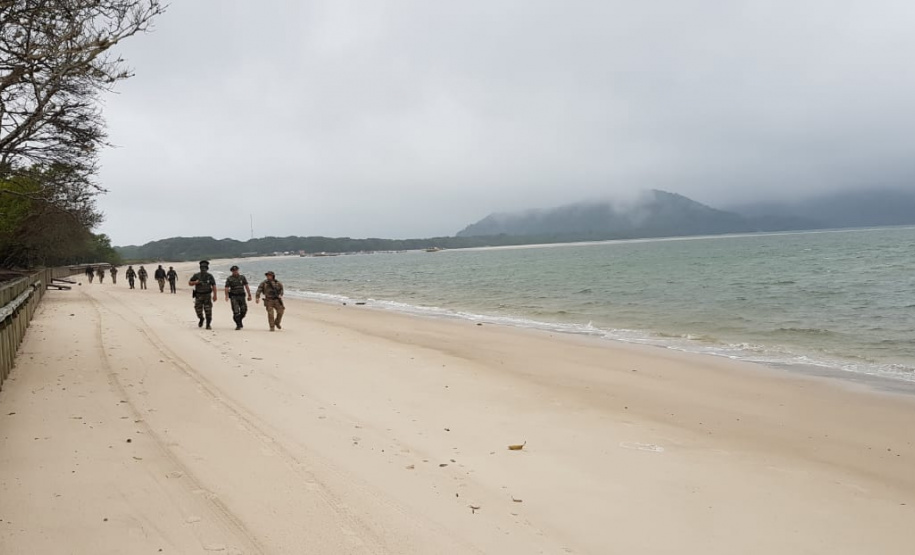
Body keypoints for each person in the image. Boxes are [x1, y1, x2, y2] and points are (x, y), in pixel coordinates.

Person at [188, 260, 218, 329]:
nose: (203, 269)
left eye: (204, 267)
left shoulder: (210, 276)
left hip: (207, 295)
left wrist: (215, 295)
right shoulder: (196, 275)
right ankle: (201, 318)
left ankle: (208, 324)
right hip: (198, 296)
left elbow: (214, 286)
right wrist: (195, 282)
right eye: (202, 267)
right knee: (198, 310)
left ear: (207, 268)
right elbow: (189, 283)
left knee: (208, 311)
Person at [224, 265, 252, 330]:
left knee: (244, 310)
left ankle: (239, 320)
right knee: (236, 311)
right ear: (232, 271)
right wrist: (226, 296)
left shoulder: (242, 277)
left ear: (238, 270)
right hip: (234, 296)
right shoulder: (229, 278)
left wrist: (249, 294)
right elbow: (226, 287)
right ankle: (238, 325)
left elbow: (246, 286)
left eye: (236, 270)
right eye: (233, 271)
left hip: (242, 296)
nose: (235, 272)